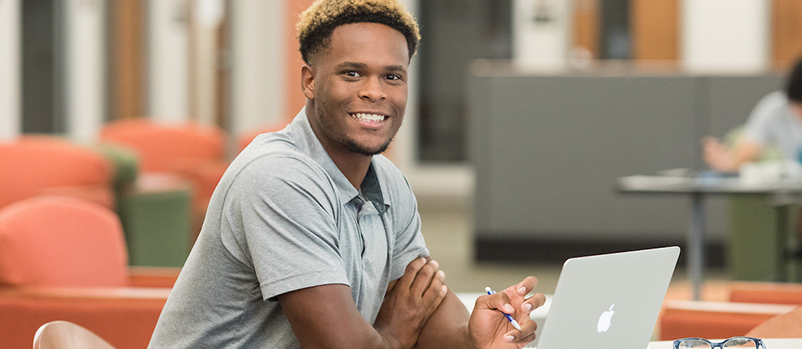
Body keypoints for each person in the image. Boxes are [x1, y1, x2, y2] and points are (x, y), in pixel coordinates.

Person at [148, 0, 546, 348]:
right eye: (352, 73)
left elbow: (422, 306)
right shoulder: (276, 178)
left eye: (392, 76)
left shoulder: (388, 182)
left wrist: (473, 337)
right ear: (310, 81)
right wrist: (392, 334)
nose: (375, 92)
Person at [703, 52, 802, 283]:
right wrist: (727, 162)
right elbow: (747, 152)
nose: (798, 114)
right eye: (795, 107)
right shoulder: (775, 109)